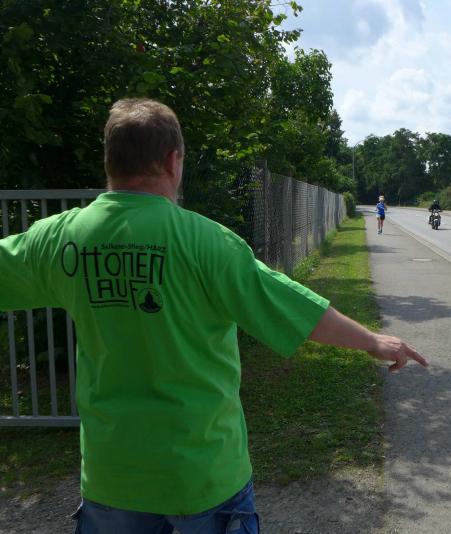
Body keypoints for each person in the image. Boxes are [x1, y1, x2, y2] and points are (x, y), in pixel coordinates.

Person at [0, 99, 427, 533]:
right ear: (173, 161)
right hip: (203, 475)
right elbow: (294, 310)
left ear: (110, 160)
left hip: (113, 478)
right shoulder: (207, 242)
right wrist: (373, 341)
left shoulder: (60, 238)